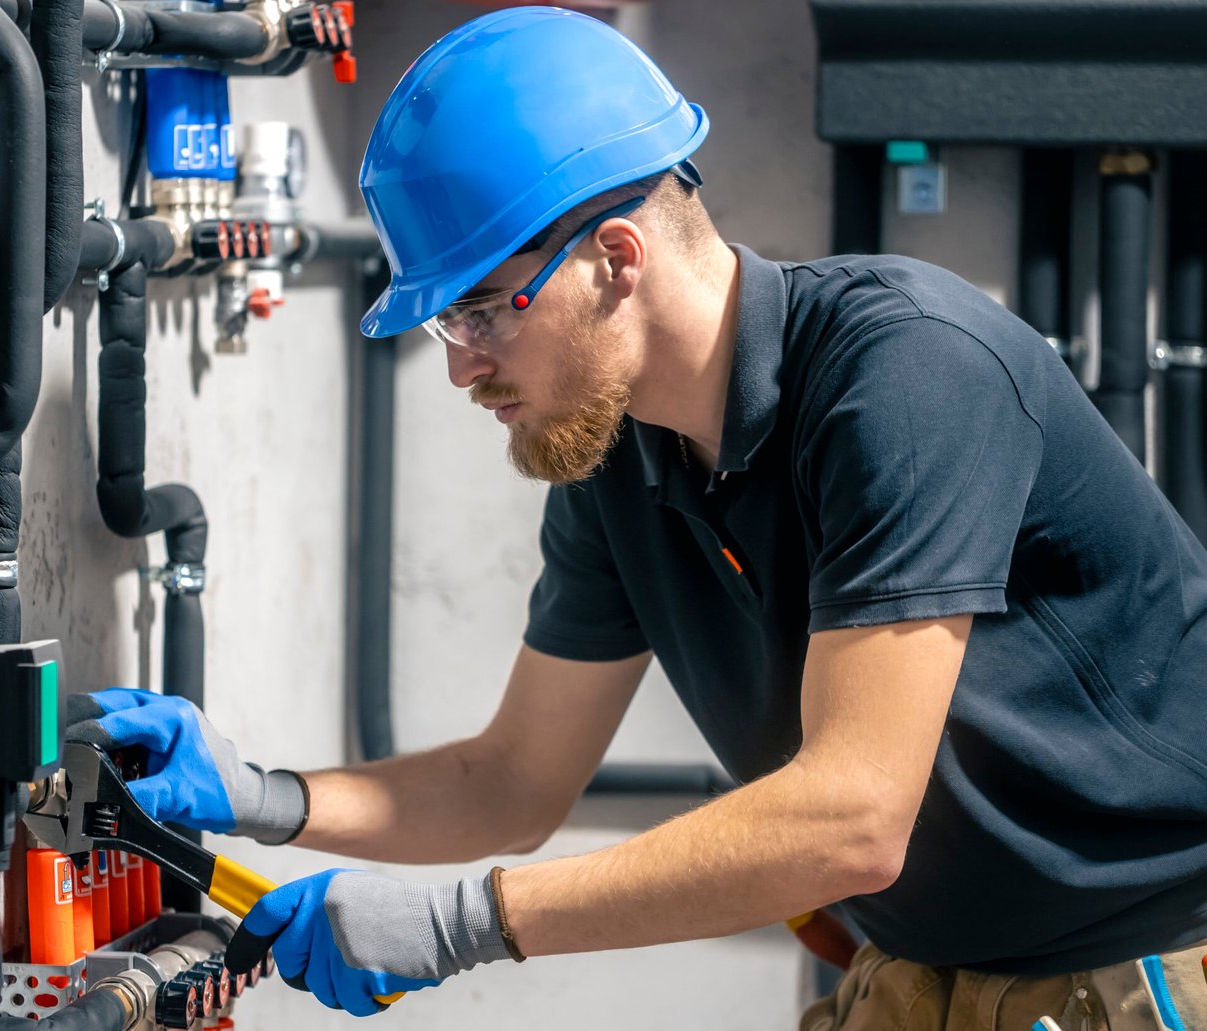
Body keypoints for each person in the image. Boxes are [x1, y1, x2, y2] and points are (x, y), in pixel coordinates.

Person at [66, 8, 1207, 1029]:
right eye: (443, 326)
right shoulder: (614, 460)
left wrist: (461, 922)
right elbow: (514, 777)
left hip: (1143, 964)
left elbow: (848, 819)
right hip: (925, 965)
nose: (461, 369)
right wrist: (263, 794)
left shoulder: (905, 375)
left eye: (478, 313)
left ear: (616, 256)